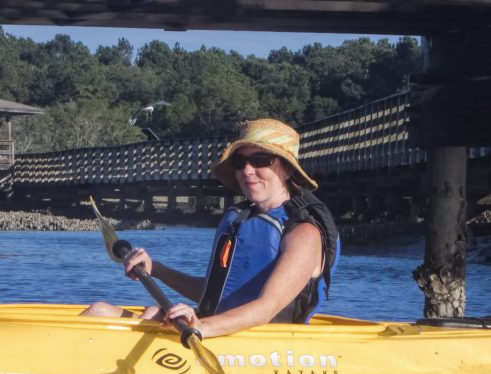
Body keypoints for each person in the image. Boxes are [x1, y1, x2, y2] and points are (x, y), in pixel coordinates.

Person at [82, 118, 339, 340]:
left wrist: (201, 326)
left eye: (261, 160)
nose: (248, 170)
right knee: (100, 310)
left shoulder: (304, 233)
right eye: (240, 162)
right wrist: (157, 269)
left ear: (285, 168)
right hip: (219, 333)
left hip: (262, 347)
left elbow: (267, 307)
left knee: (148, 315)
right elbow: (213, 292)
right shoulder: (241, 219)